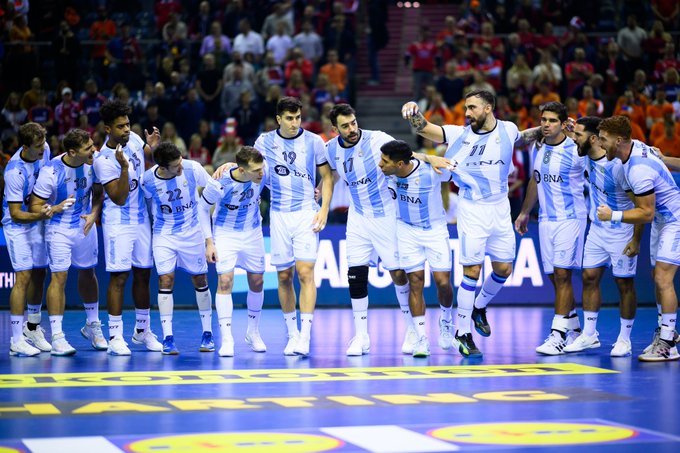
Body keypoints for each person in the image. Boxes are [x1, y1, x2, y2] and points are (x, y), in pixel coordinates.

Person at [402, 90, 537, 358]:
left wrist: (547, 129)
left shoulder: (508, 129)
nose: (467, 113)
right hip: (472, 207)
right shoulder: (458, 134)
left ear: (488, 108)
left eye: (472, 108)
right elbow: (426, 130)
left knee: (504, 268)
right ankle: (463, 333)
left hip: (500, 206)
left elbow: (522, 139)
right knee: (472, 270)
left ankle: (479, 307)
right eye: (466, 108)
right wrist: (413, 113)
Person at [328, 103, 444, 356]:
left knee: (399, 275)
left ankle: (412, 330)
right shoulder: (329, 149)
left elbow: (405, 155)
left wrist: (429, 157)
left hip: (386, 215)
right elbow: (332, 174)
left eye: (353, 122)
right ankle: (361, 337)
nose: (351, 129)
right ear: (334, 129)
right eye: (345, 126)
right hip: (357, 217)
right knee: (356, 275)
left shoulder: (377, 139)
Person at [253, 96, 334, 356]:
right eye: (289, 118)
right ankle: (292, 334)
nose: (294, 123)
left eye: (298, 117)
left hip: (306, 213)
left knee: (306, 273)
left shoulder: (313, 141)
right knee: (284, 276)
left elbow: (326, 176)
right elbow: (254, 172)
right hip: (278, 215)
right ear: (278, 119)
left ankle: (306, 337)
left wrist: (323, 208)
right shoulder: (264, 142)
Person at [597, 115, 680, 362]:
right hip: (662, 222)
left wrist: (613, 215)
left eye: (604, 140)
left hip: (674, 220)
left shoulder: (638, 169)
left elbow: (646, 212)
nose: (601, 145)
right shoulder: (634, 149)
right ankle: (667, 334)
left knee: (663, 277)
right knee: (658, 278)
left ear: (620, 140)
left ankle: (667, 343)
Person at [564, 116, 641, 357]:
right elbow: (581, 136)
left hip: (622, 229)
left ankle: (624, 339)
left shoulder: (618, 166)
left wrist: (636, 240)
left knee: (624, 284)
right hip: (596, 229)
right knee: (589, 277)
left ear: (595, 139)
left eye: (578, 135)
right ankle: (589, 335)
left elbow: (641, 207)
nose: (574, 139)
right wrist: (573, 128)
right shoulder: (586, 151)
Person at [515, 102, 587, 356]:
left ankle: (558, 335)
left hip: (571, 218)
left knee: (562, 274)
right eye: (543, 119)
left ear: (564, 123)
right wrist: (525, 212)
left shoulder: (578, 150)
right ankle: (577, 329)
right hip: (545, 219)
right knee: (552, 277)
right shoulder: (539, 146)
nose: (546, 124)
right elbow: (536, 180)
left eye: (552, 120)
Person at [93, 100, 162, 355]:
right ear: (107, 128)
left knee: (144, 274)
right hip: (118, 223)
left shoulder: (132, 137)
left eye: (128, 124)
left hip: (142, 218)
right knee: (119, 277)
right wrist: (123, 168)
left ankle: (142, 331)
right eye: (120, 126)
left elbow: (145, 153)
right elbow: (119, 197)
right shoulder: (103, 160)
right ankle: (115, 336)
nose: (126, 129)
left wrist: (151, 148)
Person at [29, 129, 104, 356]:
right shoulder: (51, 171)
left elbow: (99, 193)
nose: (94, 150)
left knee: (88, 273)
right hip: (58, 228)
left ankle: (92, 325)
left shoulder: (95, 162)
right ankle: (58, 336)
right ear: (72, 152)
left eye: (92, 144)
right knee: (59, 277)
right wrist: (55, 208)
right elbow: (35, 206)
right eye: (88, 148)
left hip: (85, 226)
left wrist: (94, 213)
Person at [378, 140, 454, 357]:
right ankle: (421, 339)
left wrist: (430, 158)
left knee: (443, 282)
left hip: (435, 230)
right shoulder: (388, 175)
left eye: (385, 161)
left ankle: (446, 319)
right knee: (415, 282)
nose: (380, 165)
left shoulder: (433, 171)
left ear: (400, 163)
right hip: (406, 231)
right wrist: (425, 154)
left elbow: (455, 169)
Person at [140, 142, 214, 355]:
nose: (181, 166)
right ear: (162, 167)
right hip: (164, 233)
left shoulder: (192, 168)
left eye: (181, 161)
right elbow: (145, 206)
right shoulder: (148, 180)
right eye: (176, 166)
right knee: (166, 280)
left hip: (192, 232)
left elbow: (213, 190)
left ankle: (207, 334)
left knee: (200, 280)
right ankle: (168, 337)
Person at [199, 146, 267, 357]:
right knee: (225, 281)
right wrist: (209, 242)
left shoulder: (263, 172)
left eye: (261, 168)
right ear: (242, 170)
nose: (261, 173)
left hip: (253, 231)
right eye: (256, 170)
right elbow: (202, 209)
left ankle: (253, 332)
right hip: (225, 233)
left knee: (257, 282)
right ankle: (227, 338)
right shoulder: (219, 182)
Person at [3, 123, 52, 356]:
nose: (43, 148)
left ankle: (32, 327)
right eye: (38, 146)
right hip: (17, 224)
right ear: (25, 147)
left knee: (40, 272)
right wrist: (40, 214)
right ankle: (15, 340)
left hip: (37, 219)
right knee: (23, 276)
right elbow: (15, 214)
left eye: (43, 142)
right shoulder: (14, 172)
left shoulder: (46, 150)